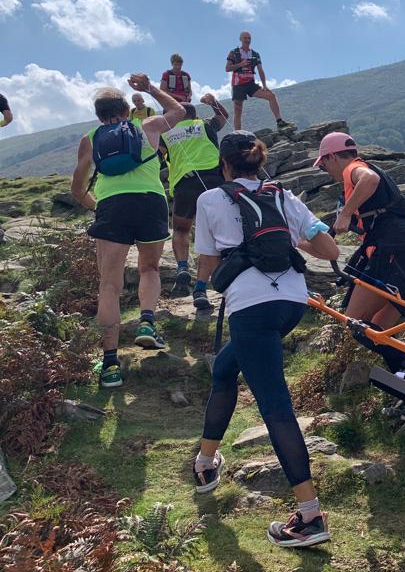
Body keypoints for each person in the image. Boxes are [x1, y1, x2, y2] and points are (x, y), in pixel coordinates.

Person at [191, 131, 339, 548]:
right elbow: (329, 249)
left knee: (275, 405)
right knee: (224, 369)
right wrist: (293, 239)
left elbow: (207, 260)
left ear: (224, 165)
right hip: (291, 303)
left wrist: (198, 288)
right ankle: (205, 462)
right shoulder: (285, 197)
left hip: (250, 308)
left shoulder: (210, 200)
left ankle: (310, 516)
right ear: (259, 162)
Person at [313, 131, 405, 419]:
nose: (327, 172)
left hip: (391, 252)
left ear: (333, 156)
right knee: (382, 330)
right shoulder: (377, 173)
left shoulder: (354, 168)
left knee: (356, 320)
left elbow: (367, 181)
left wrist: (346, 214)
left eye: (324, 165)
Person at [70, 75, 187, 388]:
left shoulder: (90, 139)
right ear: (125, 109)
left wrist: (99, 207)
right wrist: (149, 89)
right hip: (151, 203)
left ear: (99, 115)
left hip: (111, 207)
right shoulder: (147, 127)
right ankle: (147, 324)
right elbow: (179, 112)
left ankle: (110, 365)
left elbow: (77, 189)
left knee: (109, 284)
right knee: (149, 268)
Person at [160, 93, 230, 300]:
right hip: (215, 181)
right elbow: (223, 117)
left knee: (181, 230)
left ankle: (182, 267)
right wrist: (214, 103)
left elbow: (155, 154)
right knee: (211, 235)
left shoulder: (167, 134)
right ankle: (200, 288)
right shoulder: (205, 125)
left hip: (185, 184)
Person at [225, 31, 290, 131]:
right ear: (240, 39)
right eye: (245, 38)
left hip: (250, 83)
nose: (247, 40)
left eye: (249, 38)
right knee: (238, 110)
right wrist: (240, 64)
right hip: (238, 84)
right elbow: (227, 68)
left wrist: (264, 85)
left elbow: (260, 70)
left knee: (271, 96)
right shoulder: (234, 52)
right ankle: (237, 134)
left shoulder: (255, 54)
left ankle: (279, 121)